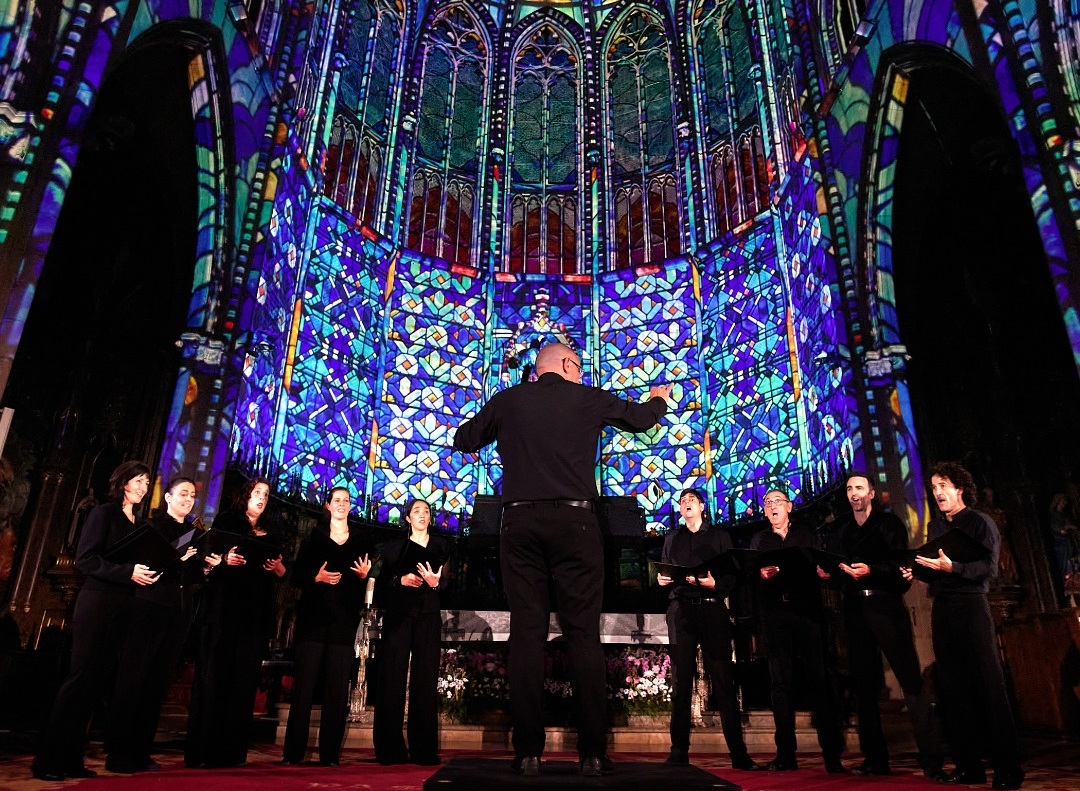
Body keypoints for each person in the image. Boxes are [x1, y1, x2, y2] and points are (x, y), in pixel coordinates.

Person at [453, 341, 671, 777]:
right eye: (579, 365)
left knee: (527, 634)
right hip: (576, 524)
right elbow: (640, 419)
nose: (580, 371)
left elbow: (464, 439)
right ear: (568, 364)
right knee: (582, 634)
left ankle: (527, 753)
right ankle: (591, 753)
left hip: (519, 524)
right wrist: (659, 399)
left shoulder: (509, 400)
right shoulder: (586, 397)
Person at [32, 461, 158, 782]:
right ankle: (48, 761)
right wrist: (127, 572)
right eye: (138, 480)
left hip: (124, 607)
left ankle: (72, 759)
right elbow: (86, 559)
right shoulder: (104, 513)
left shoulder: (139, 522)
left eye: (147, 482)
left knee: (96, 684)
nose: (143, 487)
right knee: (79, 680)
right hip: (97, 603)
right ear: (123, 482)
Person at [902, 461, 1024, 790]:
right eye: (933, 487)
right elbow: (933, 569)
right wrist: (916, 570)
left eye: (943, 485)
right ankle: (969, 766)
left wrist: (952, 567)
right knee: (953, 690)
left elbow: (989, 569)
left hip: (972, 607)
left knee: (989, 686)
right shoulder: (936, 527)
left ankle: (1008, 768)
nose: (937, 492)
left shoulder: (980, 522)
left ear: (960, 488)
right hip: (943, 609)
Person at [823, 472, 945, 777]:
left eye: (859, 487)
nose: (854, 493)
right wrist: (829, 574)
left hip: (885, 604)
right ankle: (874, 759)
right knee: (863, 685)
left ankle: (931, 757)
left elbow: (900, 567)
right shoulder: (840, 529)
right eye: (849, 489)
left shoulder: (889, 523)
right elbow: (835, 568)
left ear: (871, 493)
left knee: (909, 678)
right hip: (854, 608)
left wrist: (872, 571)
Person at [105, 476, 214, 773]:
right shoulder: (150, 527)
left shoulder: (196, 533)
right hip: (148, 606)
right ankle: (118, 752)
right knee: (132, 678)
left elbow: (192, 578)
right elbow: (146, 566)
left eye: (192, 495)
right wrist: (176, 557)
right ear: (168, 497)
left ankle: (141, 750)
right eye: (182, 493)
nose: (188, 499)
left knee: (158, 682)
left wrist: (205, 568)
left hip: (178, 611)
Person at [185, 476, 287, 768]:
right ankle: (204, 750)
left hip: (255, 614)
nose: (261, 498)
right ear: (245, 495)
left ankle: (232, 751)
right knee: (215, 677)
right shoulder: (227, 520)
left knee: (243, 681)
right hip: (223, 610)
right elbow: (209, 558)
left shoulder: (273, 529)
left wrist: (277, 567)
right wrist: (224, 559)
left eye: (266, 494)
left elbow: (283, 571)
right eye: (257, 492)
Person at [656, 488, 758, 771]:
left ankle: (738, 753)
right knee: (681, 684)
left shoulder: (719, 535)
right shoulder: (672, 538)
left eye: (691, 500)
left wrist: (716, 585)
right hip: (681, 611)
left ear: (702, 506)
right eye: (682, 501)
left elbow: (732, 575)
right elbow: (665, 571)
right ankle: (678, 751)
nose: (686, 504)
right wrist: (662, 580)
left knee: (723, 681)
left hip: (712, 609)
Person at [749, 487, 845, 773]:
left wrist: (824, 572)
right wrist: (759, 574)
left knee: (820, 681)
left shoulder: (807, 534)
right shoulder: (759, 540)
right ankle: (785, 755)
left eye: (777, 501)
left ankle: (832, 755)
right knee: (780, 684)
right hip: (775, 615)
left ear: (789, 506)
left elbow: (825, 565)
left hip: (807, 612)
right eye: (767, 502)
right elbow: (747, 575)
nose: (772, 506)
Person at [282, 486, 372, 766]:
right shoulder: (315, 535)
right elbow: (296, 576)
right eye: (337, 500)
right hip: (313, 618)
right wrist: (316, 577)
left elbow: (366, 575)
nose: (342, 504)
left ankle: (330, 754)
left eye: (346, 500)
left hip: (343, 620)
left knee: (337, 688)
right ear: (328, 505)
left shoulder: (361, 539)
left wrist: (364, 576)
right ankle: (293, 753)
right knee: (304, 687)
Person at [372, 497, 449, 766]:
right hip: (399, 615)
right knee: (392, 678)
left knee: (425, 680)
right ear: (407, 518)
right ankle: (389, 749)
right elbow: (380, 580)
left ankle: (423, 750)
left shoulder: (440, 545)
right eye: (417, 511)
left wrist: (435, 582)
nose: (422, 515)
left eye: (426, 511)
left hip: (428, 615)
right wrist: (400, 580)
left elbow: (447, 582)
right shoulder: (394, 547)